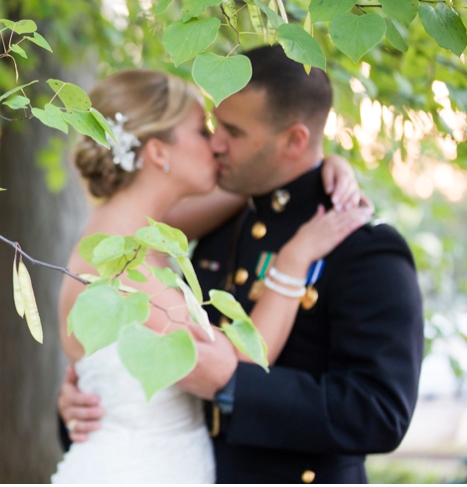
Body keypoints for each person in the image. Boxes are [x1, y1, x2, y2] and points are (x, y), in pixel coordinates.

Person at [58, 45, 424, 484]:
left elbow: (378, 413)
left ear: (293, 140)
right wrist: (82, 405)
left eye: (230, 129)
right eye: (208, 128)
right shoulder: (207, 232)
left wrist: (233, 383)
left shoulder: (362, 248)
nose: (216, 142)